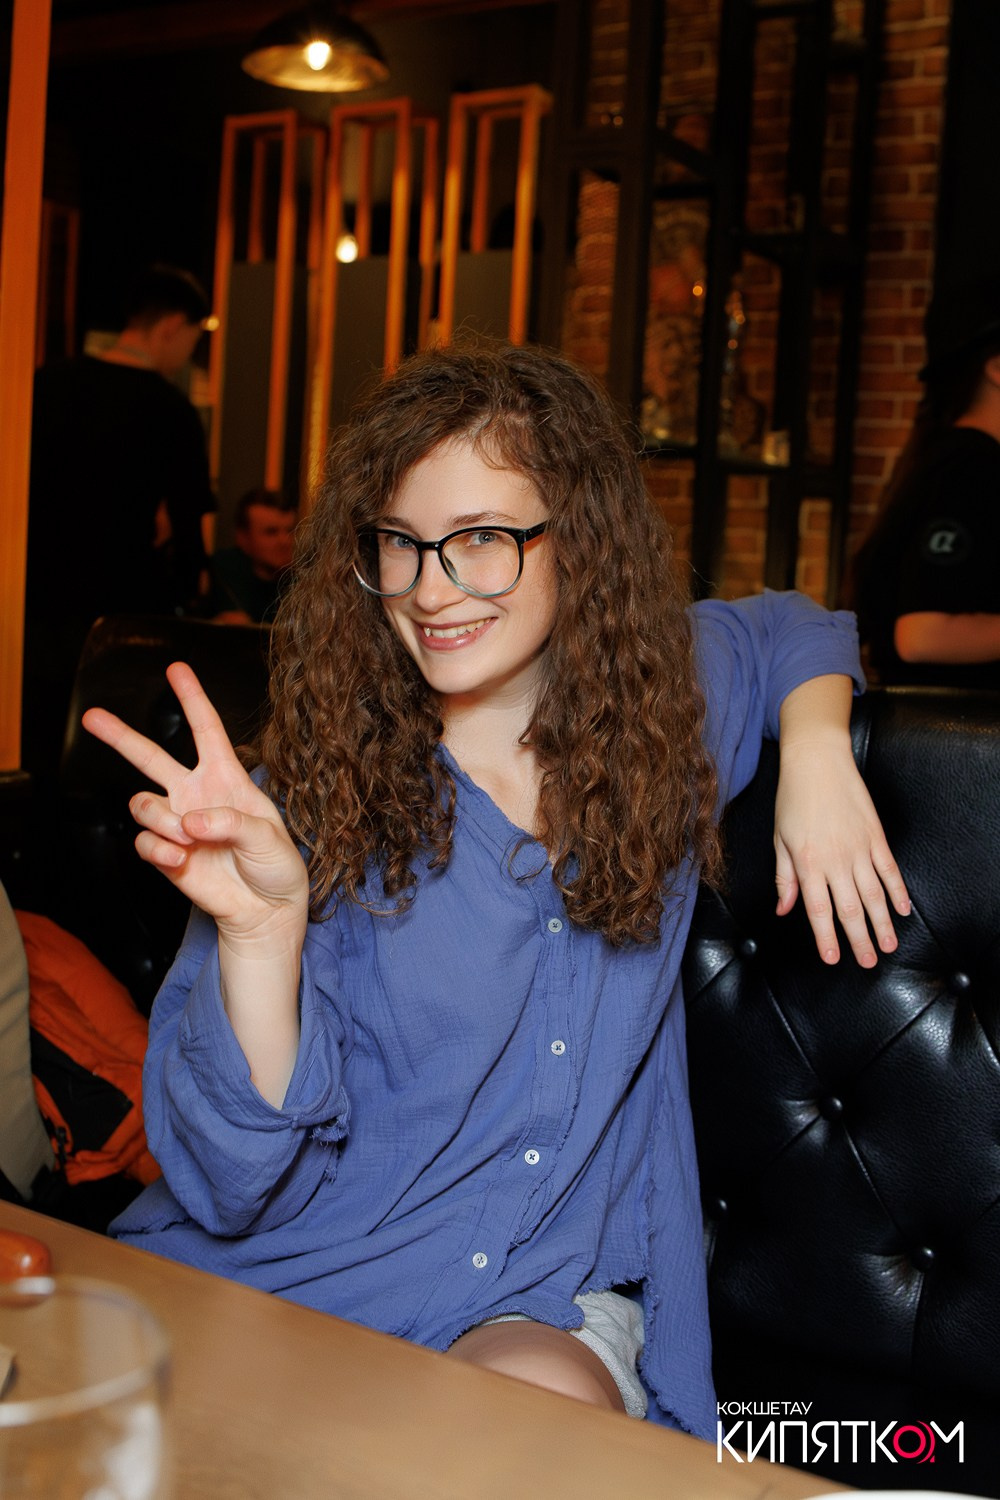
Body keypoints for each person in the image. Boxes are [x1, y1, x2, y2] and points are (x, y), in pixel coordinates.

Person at [82, 342, 909, 1438]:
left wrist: (817, 754)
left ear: (582, 539)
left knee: (526, 1427)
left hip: (535, 1299)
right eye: (401, 542)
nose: (431, 591)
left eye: (482, 539)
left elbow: (789, 625)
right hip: (295, 1278)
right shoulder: (297, 809)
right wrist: (260, 938)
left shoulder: (666, 722)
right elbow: (230, 1186)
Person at [22, 262, 217, 790]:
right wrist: (197, 598)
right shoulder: (169, 410)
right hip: (121, 620)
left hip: (30, 607)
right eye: (193, 339)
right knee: (108, 765)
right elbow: (189, 529)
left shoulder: (45, 384)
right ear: (172, 326)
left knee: (33, 752)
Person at [851, 278, 1000, 687]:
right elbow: (921, 636)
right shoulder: (971, 467)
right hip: (951, 722)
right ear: (995, 367)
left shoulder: (949, 458)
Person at [207, 488, 297, 625]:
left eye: (290, 530)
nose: (285, 541)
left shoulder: (306, 577)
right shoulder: (217, 572)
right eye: (271, 532)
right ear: (243, 538)